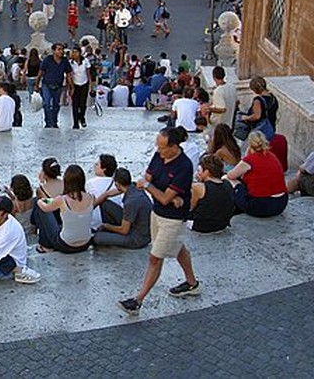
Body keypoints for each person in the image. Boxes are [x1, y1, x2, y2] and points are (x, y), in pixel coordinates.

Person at [118, 127, 199, 315]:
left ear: (174, 146)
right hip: (158, 213)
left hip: (173, 218)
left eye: (162, 148)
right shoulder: (158, 156)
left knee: (155, 257)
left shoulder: (184, 166)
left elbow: (151, 187)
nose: (159, 151)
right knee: (177, 247)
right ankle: (192, 283)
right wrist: (165, 194)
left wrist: (153, 189)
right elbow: (149, 179)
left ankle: (137, 300)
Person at [32, 164, 94, 254]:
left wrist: (40, 201)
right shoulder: (91, 197)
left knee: (40, 207)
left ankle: (46, 246)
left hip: (66, 245)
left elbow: (45, 208)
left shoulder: (62, 199)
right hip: (86, 244)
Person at [225, 130, 288, 217]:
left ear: (250, 145)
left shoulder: (250, 160)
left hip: (260, 206)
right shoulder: (272, 156)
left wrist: (246, 156)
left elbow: (230, 175)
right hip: (281, 203)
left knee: (227, 178)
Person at [93, 168, 152, 249]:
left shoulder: (131, 202)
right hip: (134, 225)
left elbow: (124, 230)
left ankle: (109, 234)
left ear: (117, 183)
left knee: (97, 238)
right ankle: (110, 234)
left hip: (137, 238)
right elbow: (107, 194)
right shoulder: (134, 186)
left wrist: (106, 226)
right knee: (105, 204)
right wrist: (91, 208)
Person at [189, 154, 235, 233]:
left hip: (201, 226)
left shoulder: (198, 187)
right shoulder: (227, 184)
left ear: (206, 172)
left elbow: (191, 207)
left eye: (199, 171)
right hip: (222, 225)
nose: (197, 174)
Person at [35, 43, 70, 128]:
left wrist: (70, 86)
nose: (61, 51)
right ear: (53, 51)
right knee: (46, 103)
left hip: (58, 85)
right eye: (59, 49)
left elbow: (69, 73)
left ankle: (54, 121)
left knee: (56, 104)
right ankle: (48, 121)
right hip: (46, 84)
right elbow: (41, 72)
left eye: (62, 49)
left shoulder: (65, 61)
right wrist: (36, 84)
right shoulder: (47, 60)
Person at [208, 66, 237, 132]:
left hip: (219, 124)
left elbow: (222, 109)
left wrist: (209, 109)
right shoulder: (232, 87)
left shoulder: (218, 91)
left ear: (214, 77)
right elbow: (237, 102)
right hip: (229, 122)